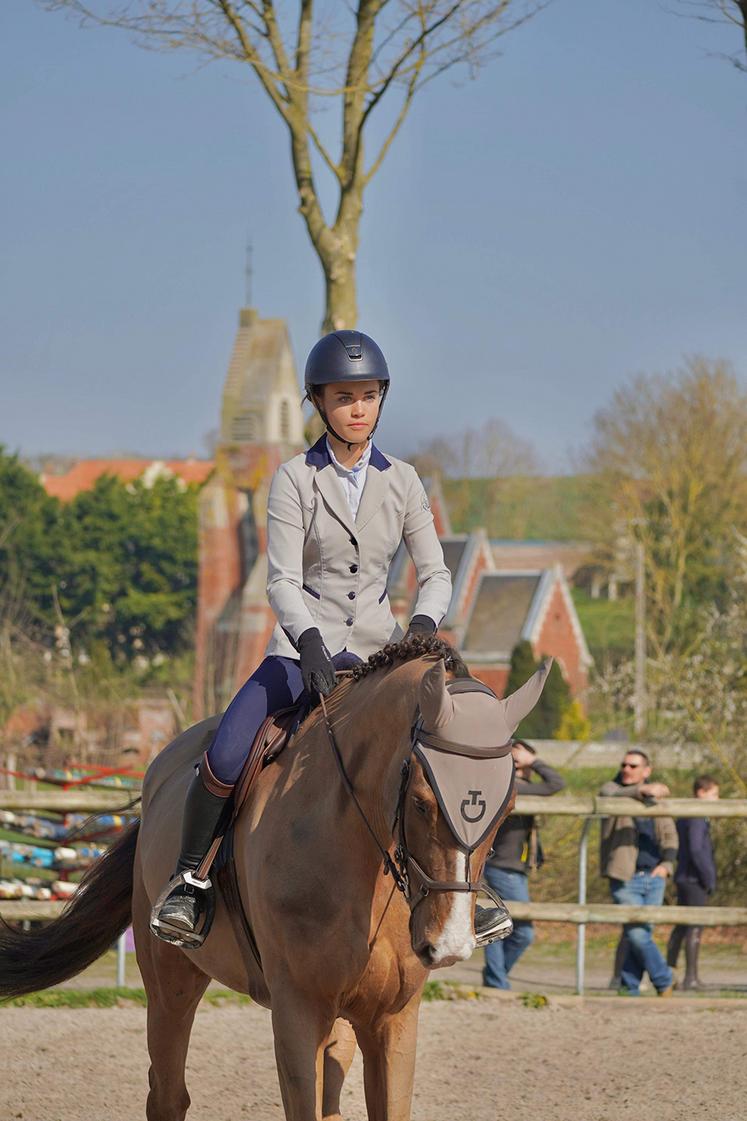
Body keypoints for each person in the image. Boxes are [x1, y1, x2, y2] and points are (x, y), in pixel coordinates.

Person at [151, 330, 507, 945]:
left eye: (368, 395)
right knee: (230, 749)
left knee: (460, 740)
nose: (359, 407)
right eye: (345, 397)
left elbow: (437, 571)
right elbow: (283, 577)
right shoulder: (293, 478)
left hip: (383, 650)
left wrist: (422, 628)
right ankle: (191, 882)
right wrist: (309, 642)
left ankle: (478, 884)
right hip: (301, 647)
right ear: (318, 402)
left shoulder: (405, 481)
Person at [482, 739, 565, 989]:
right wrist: (531, 761)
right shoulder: (508, 786)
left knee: (505, 925)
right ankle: (497, 981)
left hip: (511, 867)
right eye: (523, 762)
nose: (529, 768)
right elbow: (556, 784)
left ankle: (496, 978)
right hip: (503, 867)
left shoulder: (518, 786)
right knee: (520, 931)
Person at [599, 750, 678, 996]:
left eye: (633, 766)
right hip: (624, 876)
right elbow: (609, 794)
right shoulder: (611, 790)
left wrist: (667, 865)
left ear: (646, 770)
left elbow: (670, 835)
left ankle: (628, 986)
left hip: (654, 877)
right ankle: (664, 980)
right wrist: (642, 791)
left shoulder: (656, 800)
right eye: (624, 764)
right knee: (636, 933)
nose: (627, 769)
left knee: (640, 934)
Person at [666, 774, 719, 990]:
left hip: (685, 876)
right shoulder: (696, 817)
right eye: (714, 794)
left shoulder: (688, 817)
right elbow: (697, 850)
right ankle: (691, 977)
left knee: (682, 926)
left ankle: (668, 973)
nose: (717, 800)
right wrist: (708, 877)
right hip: (693, 878)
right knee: (694, 927)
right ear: (701, 793)